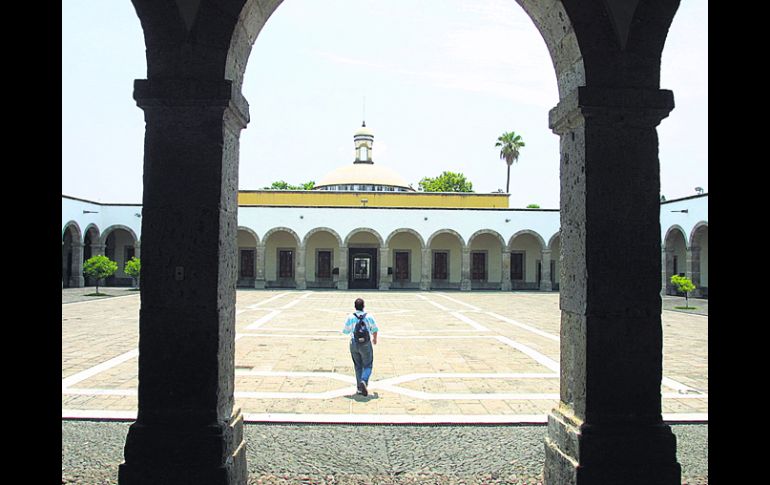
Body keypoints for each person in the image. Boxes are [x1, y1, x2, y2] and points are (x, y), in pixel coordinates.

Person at [342, 297, 378, 396]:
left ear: (355, 306)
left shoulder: (350, 317)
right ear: (363, 306)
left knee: (358, 366)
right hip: (365, 344)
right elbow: (375, 329)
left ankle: (359, 388)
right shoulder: (369, 316)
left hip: (354, 343)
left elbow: (345, 331)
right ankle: (364, 380)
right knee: (368, 365)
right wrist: (374, 339)